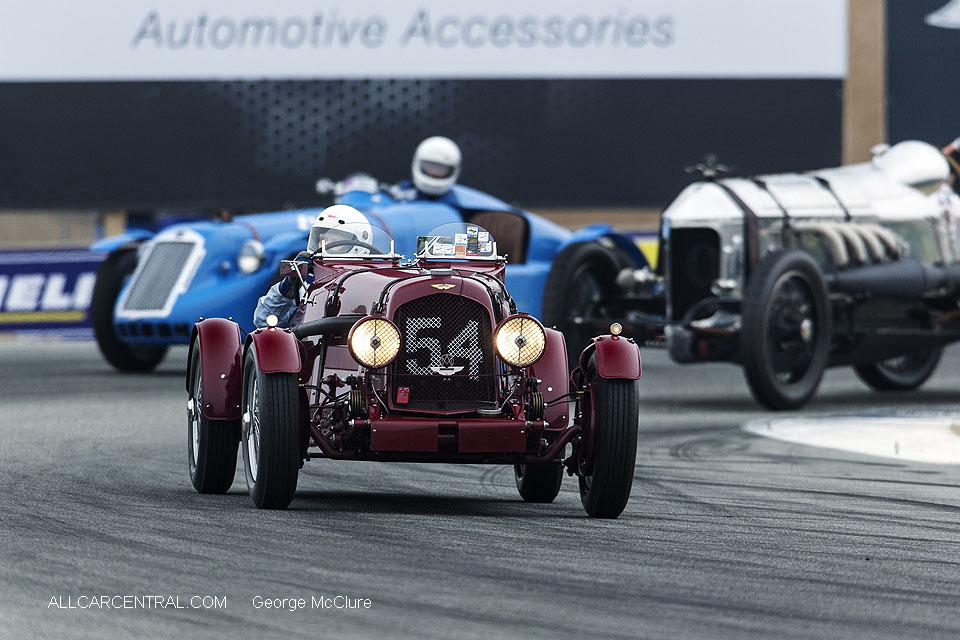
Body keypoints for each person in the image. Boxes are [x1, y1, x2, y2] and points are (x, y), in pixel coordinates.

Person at [253, 204, 372, 328]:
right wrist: (289, 285)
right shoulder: (306, 281)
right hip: (306, 344)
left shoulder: (371, 281)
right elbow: (263, 321)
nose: (324, 246)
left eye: (335, 240)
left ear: (357, 244)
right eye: (323, 239)